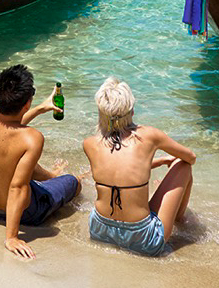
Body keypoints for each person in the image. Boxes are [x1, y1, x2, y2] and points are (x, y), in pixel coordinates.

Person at [0, 64, 81, 259]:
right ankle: (61, 178)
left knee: (19, 162)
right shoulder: (33, 138)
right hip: (25, 214)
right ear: (26, 103)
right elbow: (17, 188)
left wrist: (39, 109)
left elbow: (10, 127)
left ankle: (52, 176)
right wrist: (11, 237)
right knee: (74, 181)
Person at [81, 76, 195, 256]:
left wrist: (158, 161)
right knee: (183, 166)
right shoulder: (149, 135)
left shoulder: (89, 144)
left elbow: (118, 171)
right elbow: (191, 157)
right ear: (131, 111)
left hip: (99, 230)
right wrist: (169, 160)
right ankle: (179, 219)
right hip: (143, 239)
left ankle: (169, 211)